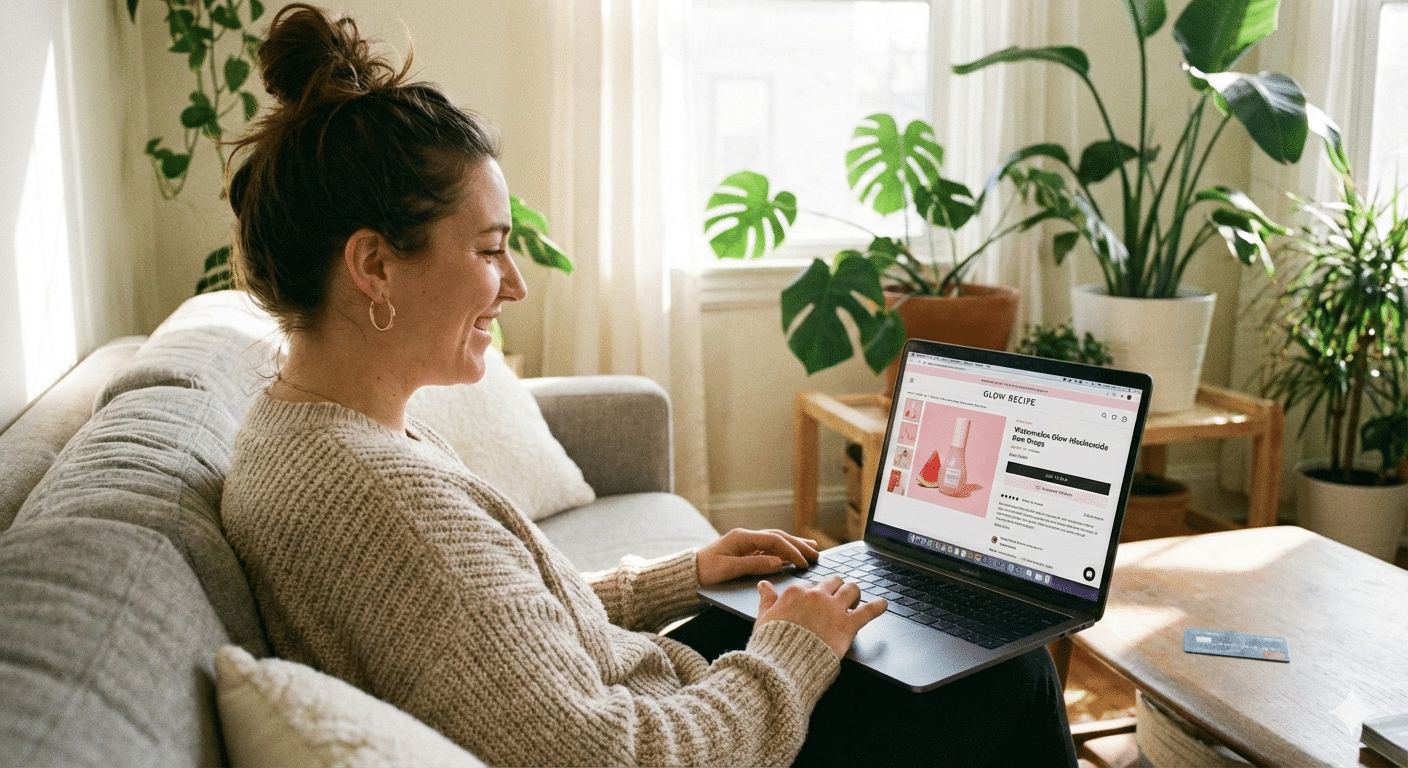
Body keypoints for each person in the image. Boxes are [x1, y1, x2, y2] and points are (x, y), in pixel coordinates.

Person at [220, 5, 1077, 766]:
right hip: (684, 737)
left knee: (836, 616)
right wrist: (789, 655)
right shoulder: (379, 497)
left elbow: (489, 633)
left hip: (655, 696)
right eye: (488, 250)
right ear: (373, 264)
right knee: (1009, 678)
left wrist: (678, 577)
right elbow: (614, 754)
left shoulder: (317, 428)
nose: (514, 283)